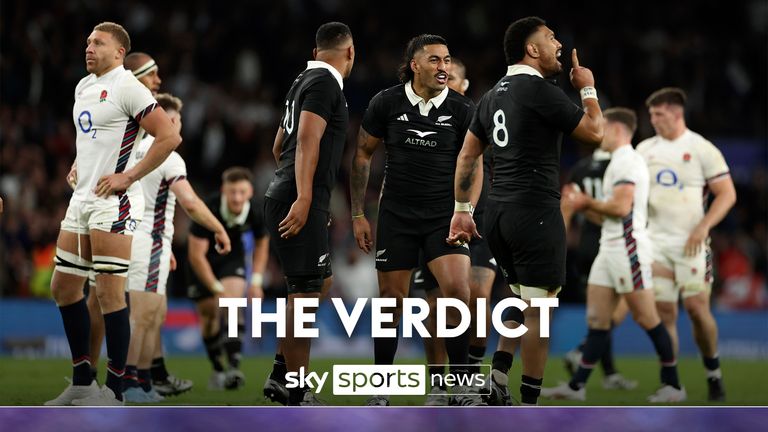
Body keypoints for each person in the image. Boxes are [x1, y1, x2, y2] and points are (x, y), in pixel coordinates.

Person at [448, 16, 603, 406]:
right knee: (542, 310)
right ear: (531, 50)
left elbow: (468, 155)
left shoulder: (491, 94)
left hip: (498, 213)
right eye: (551, 39)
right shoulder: (539, 90)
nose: (559, 46)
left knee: (518, 297)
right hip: (535, 210)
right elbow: (595, 133)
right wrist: (588, 89)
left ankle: (497, 376)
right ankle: (529, 404)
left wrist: (463, 208)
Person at [45, 21, 182, 406]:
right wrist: (78, 162)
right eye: (88, 41)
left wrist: (129, 175)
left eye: (98, 43)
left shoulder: (127, 86)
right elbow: (93, 137)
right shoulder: (83, 87)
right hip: (82, 199)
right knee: (64, 287)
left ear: (119, 52)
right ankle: (83, 382)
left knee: (108, 293)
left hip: (113, 203)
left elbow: (169, 136)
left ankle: (116, 391)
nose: (89, 48)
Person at [351, 34, 481, 406]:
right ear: (415, 65)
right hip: (397, 216)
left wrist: (465, 210)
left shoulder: (462, 108)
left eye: (447, 60)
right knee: (391, 302)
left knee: (458, 293)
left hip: (444, 216)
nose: (444, 67)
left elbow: (473, 164)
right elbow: (362, 156)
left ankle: (460, 388)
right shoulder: (386, 102)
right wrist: (359, 214)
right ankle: (380, 390)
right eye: (436, 60)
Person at [540, 108, 685, 403]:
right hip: (609, 247)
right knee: (598, 320)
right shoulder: (617, 163)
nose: (598, 132)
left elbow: (620, 209)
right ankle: (576, 387)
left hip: (627, 248)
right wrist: (581, 205)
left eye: (602, 127)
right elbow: (609, 215)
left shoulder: (628, 162)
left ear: (617, 130)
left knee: (647, 318)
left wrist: (584, 200)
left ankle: (673, 385)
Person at [75, 51, 194, 397]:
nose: (159, 81)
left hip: (131, 219)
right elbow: (98, 142)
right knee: (105, 300)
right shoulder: (120, 103)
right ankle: (107, 380)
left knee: (113, 301)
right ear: (137, 76)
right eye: (152, 74)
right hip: (112, 213)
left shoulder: (138, 117)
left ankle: (112, 380)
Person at [263, 21, 354, 406]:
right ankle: (297, 390)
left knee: (322, 283)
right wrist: (304, 198)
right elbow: (304, 140)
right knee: (304, 295)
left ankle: (281, 372)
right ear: (350, 52)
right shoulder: (324, 83)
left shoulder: (302, 79)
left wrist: (310, 199)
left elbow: (277, 145)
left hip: (293, 195)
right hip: (297, 198)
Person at [121, 93, 231, 403]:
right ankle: (130, 382)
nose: (180, 126)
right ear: (168, 121)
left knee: (152, 314)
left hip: (131, 238)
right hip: (149, 241)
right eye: (178, 120)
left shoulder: (130, 150)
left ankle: (142, 382)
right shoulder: (168, 155)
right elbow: (191, 203)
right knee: (144, 317)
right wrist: (218, 228)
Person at [406, 57, 498, 406]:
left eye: (453, 76)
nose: (445, 81)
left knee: (477, 293)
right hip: (430, 219)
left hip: (478, 216)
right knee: (433, 304)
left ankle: (469, 376)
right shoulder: (420, 117)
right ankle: (438, 384)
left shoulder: (479, 116)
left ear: (465, 83)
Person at [637, 87, 736, 401]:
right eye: (651, 114)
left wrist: (703, 226)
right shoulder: (644, 149)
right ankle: (671, 383)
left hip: (691, 245)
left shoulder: (701, 148)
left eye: (659, 114)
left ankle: (713, 371)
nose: (653, 120)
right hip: (656, 244)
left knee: (696, 309)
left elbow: (727, 193)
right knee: (664, 311)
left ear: (677, 114)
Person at [561, 149, 638, 391]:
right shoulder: (621, 167)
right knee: (625, 304)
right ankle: (582, 349)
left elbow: (567, 206)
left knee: (601, 310)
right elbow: (624, 208)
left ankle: (610, 374)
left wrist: (558, 246)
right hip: (613, 244)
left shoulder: (580, 168)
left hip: (585, 247)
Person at [187, 167, 268, 390]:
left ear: (250, 191)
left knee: (233, 304)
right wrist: (214, 287)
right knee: (209, 317)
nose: (237, 197)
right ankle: (217, 369)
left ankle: (233, 367)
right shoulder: (208, 209)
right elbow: (196, 255)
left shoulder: (255, 210)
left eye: (241, 192)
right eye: (232, 192)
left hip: (233, 259)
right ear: (224, 190)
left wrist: (257, 281)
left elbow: (262, 242)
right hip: (202, 262)